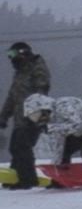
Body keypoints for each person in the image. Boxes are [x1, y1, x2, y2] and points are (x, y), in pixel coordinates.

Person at [20, 93, 82, 187]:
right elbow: (59, 142)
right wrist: (56, 166)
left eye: (35, 115)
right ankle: (61, 180)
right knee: (65, 150)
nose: (37, 120)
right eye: (32, 117)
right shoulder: (52, 118)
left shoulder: (63, 105)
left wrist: (51, 128)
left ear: (43, 108)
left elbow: (77, 125)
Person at [4, 41, 52, 190]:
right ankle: (16, 176)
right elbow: (13, 96)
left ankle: (27, 179)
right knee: (15, 147)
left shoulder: (37, 68)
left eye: (12, 54)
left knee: (23, 146)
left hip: (33, 116)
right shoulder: (20, 72)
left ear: (23, 53)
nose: (10, 58)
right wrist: (3, 115)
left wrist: (40, 117)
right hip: (20, 118)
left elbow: (42, 91)